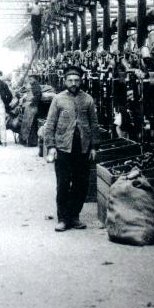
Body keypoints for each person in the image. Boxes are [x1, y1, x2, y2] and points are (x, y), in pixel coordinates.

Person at [42, 65, 99, 232]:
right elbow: (50, 124)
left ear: (81, 81)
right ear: (65, 81)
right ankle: (63, 219)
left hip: (83, 149)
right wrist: (51, 146)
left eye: (76, 80)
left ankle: (74, 217)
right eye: (70, 80)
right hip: (62, 148)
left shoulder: (87, 99)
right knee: (63, 184)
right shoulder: (58, 99)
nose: (73, 83)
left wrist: (94, 146)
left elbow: (94, 124)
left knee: (81, 184)